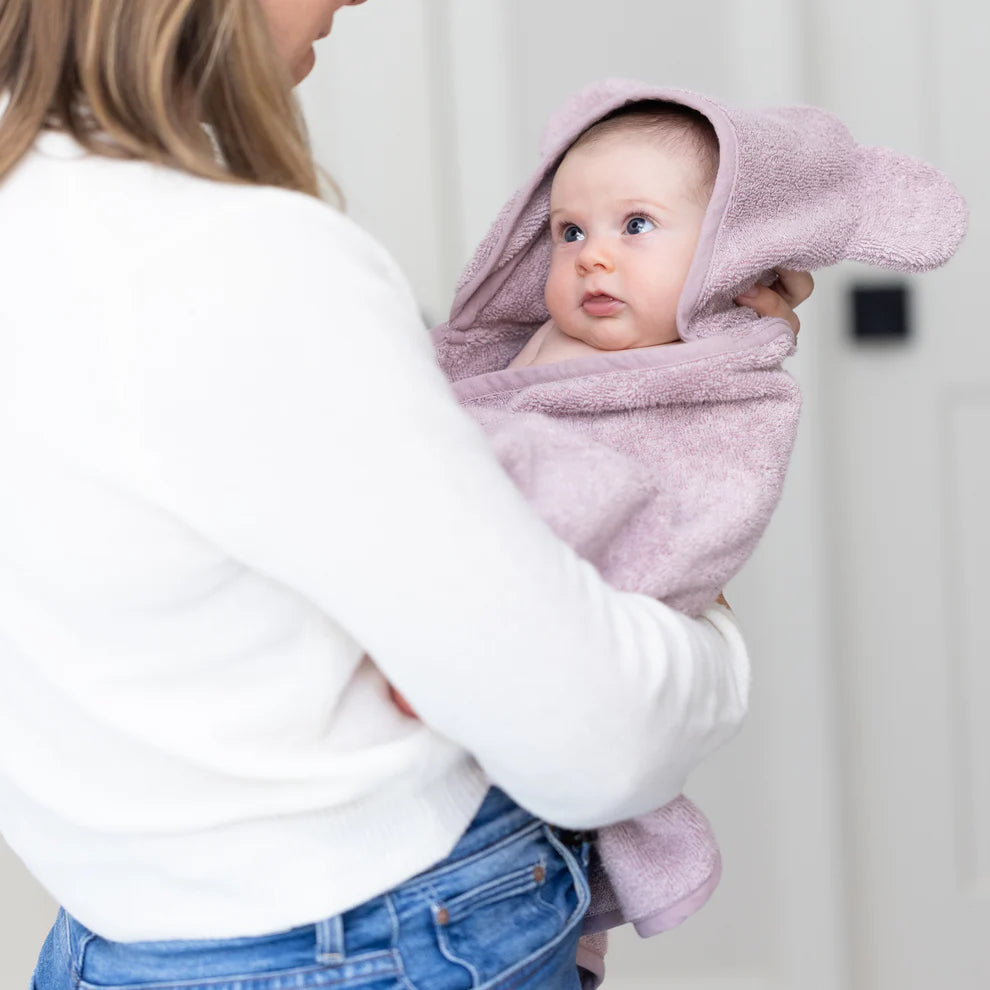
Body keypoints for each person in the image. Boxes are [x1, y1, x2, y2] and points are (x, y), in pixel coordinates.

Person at [0, 5, 811, 990]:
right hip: (373, 943)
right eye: (571, 231)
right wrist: (706, 630)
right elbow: (595, 735)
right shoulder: (238, 259)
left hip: (111, 941)